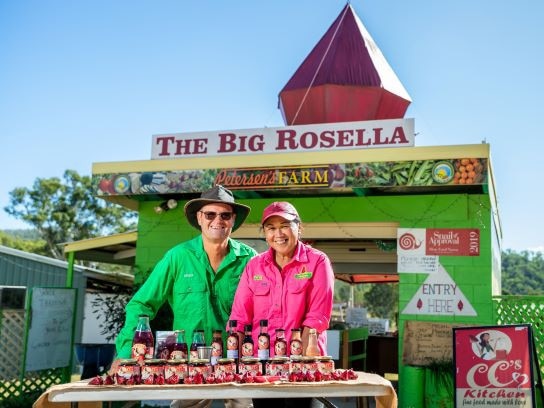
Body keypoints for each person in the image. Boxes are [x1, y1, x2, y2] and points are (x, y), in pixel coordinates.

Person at [111, 185, 257, 408]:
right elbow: (141, 304)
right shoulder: (178, 257)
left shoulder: (250, 260)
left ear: (233, 220)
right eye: (210, 214)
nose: (218, 220)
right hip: (188, 361)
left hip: (237, 361)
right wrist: (125, 352)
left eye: (225, 215)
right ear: (199, 218)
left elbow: (268, 309)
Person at [228, 201, 335, 408]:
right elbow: (239, 319)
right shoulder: (254, 266)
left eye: (284, 225)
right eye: (271, 228)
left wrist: (297, 362)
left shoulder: (317, 262)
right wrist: (235, 363)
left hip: (304, 365)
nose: (278, 234)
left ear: (299, 227)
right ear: (265, 233)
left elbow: (316, 318)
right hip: (263, 366)